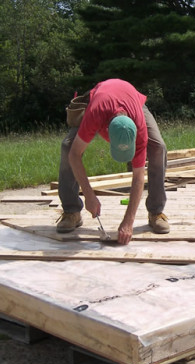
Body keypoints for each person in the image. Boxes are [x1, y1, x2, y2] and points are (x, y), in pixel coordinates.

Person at [56, 78, 170, 245]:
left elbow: (138, 176)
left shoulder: (139, 128)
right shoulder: (95, 115)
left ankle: (156, 212)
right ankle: (71, 210)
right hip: (100, 99)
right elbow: (75, 155)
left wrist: (128, 221)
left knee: (158, 147)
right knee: (68, 147)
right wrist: (89, 195)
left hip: (133, 101)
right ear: (106, 130)